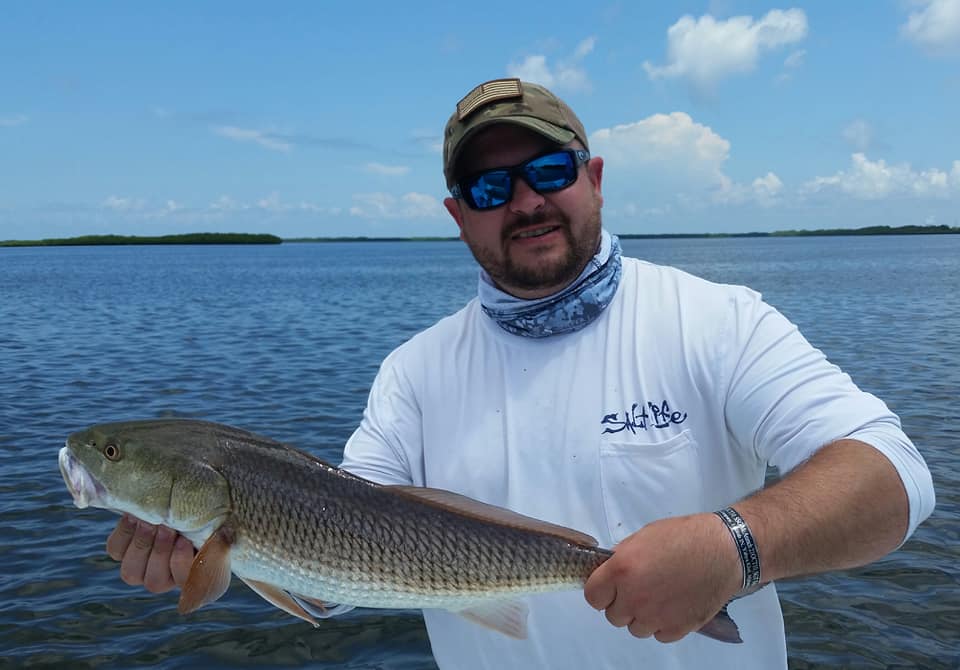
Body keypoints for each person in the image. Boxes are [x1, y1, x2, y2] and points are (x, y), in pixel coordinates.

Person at [107, 78, 935, 669]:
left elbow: (895, 476)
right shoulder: (413, 373)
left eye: (549, 171)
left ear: (594, 177)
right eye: (489, 184)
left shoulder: (716, 320)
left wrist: (737, 546)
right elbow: (339, 572)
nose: (526, 200)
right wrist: (219, 558)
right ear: (457, 214)